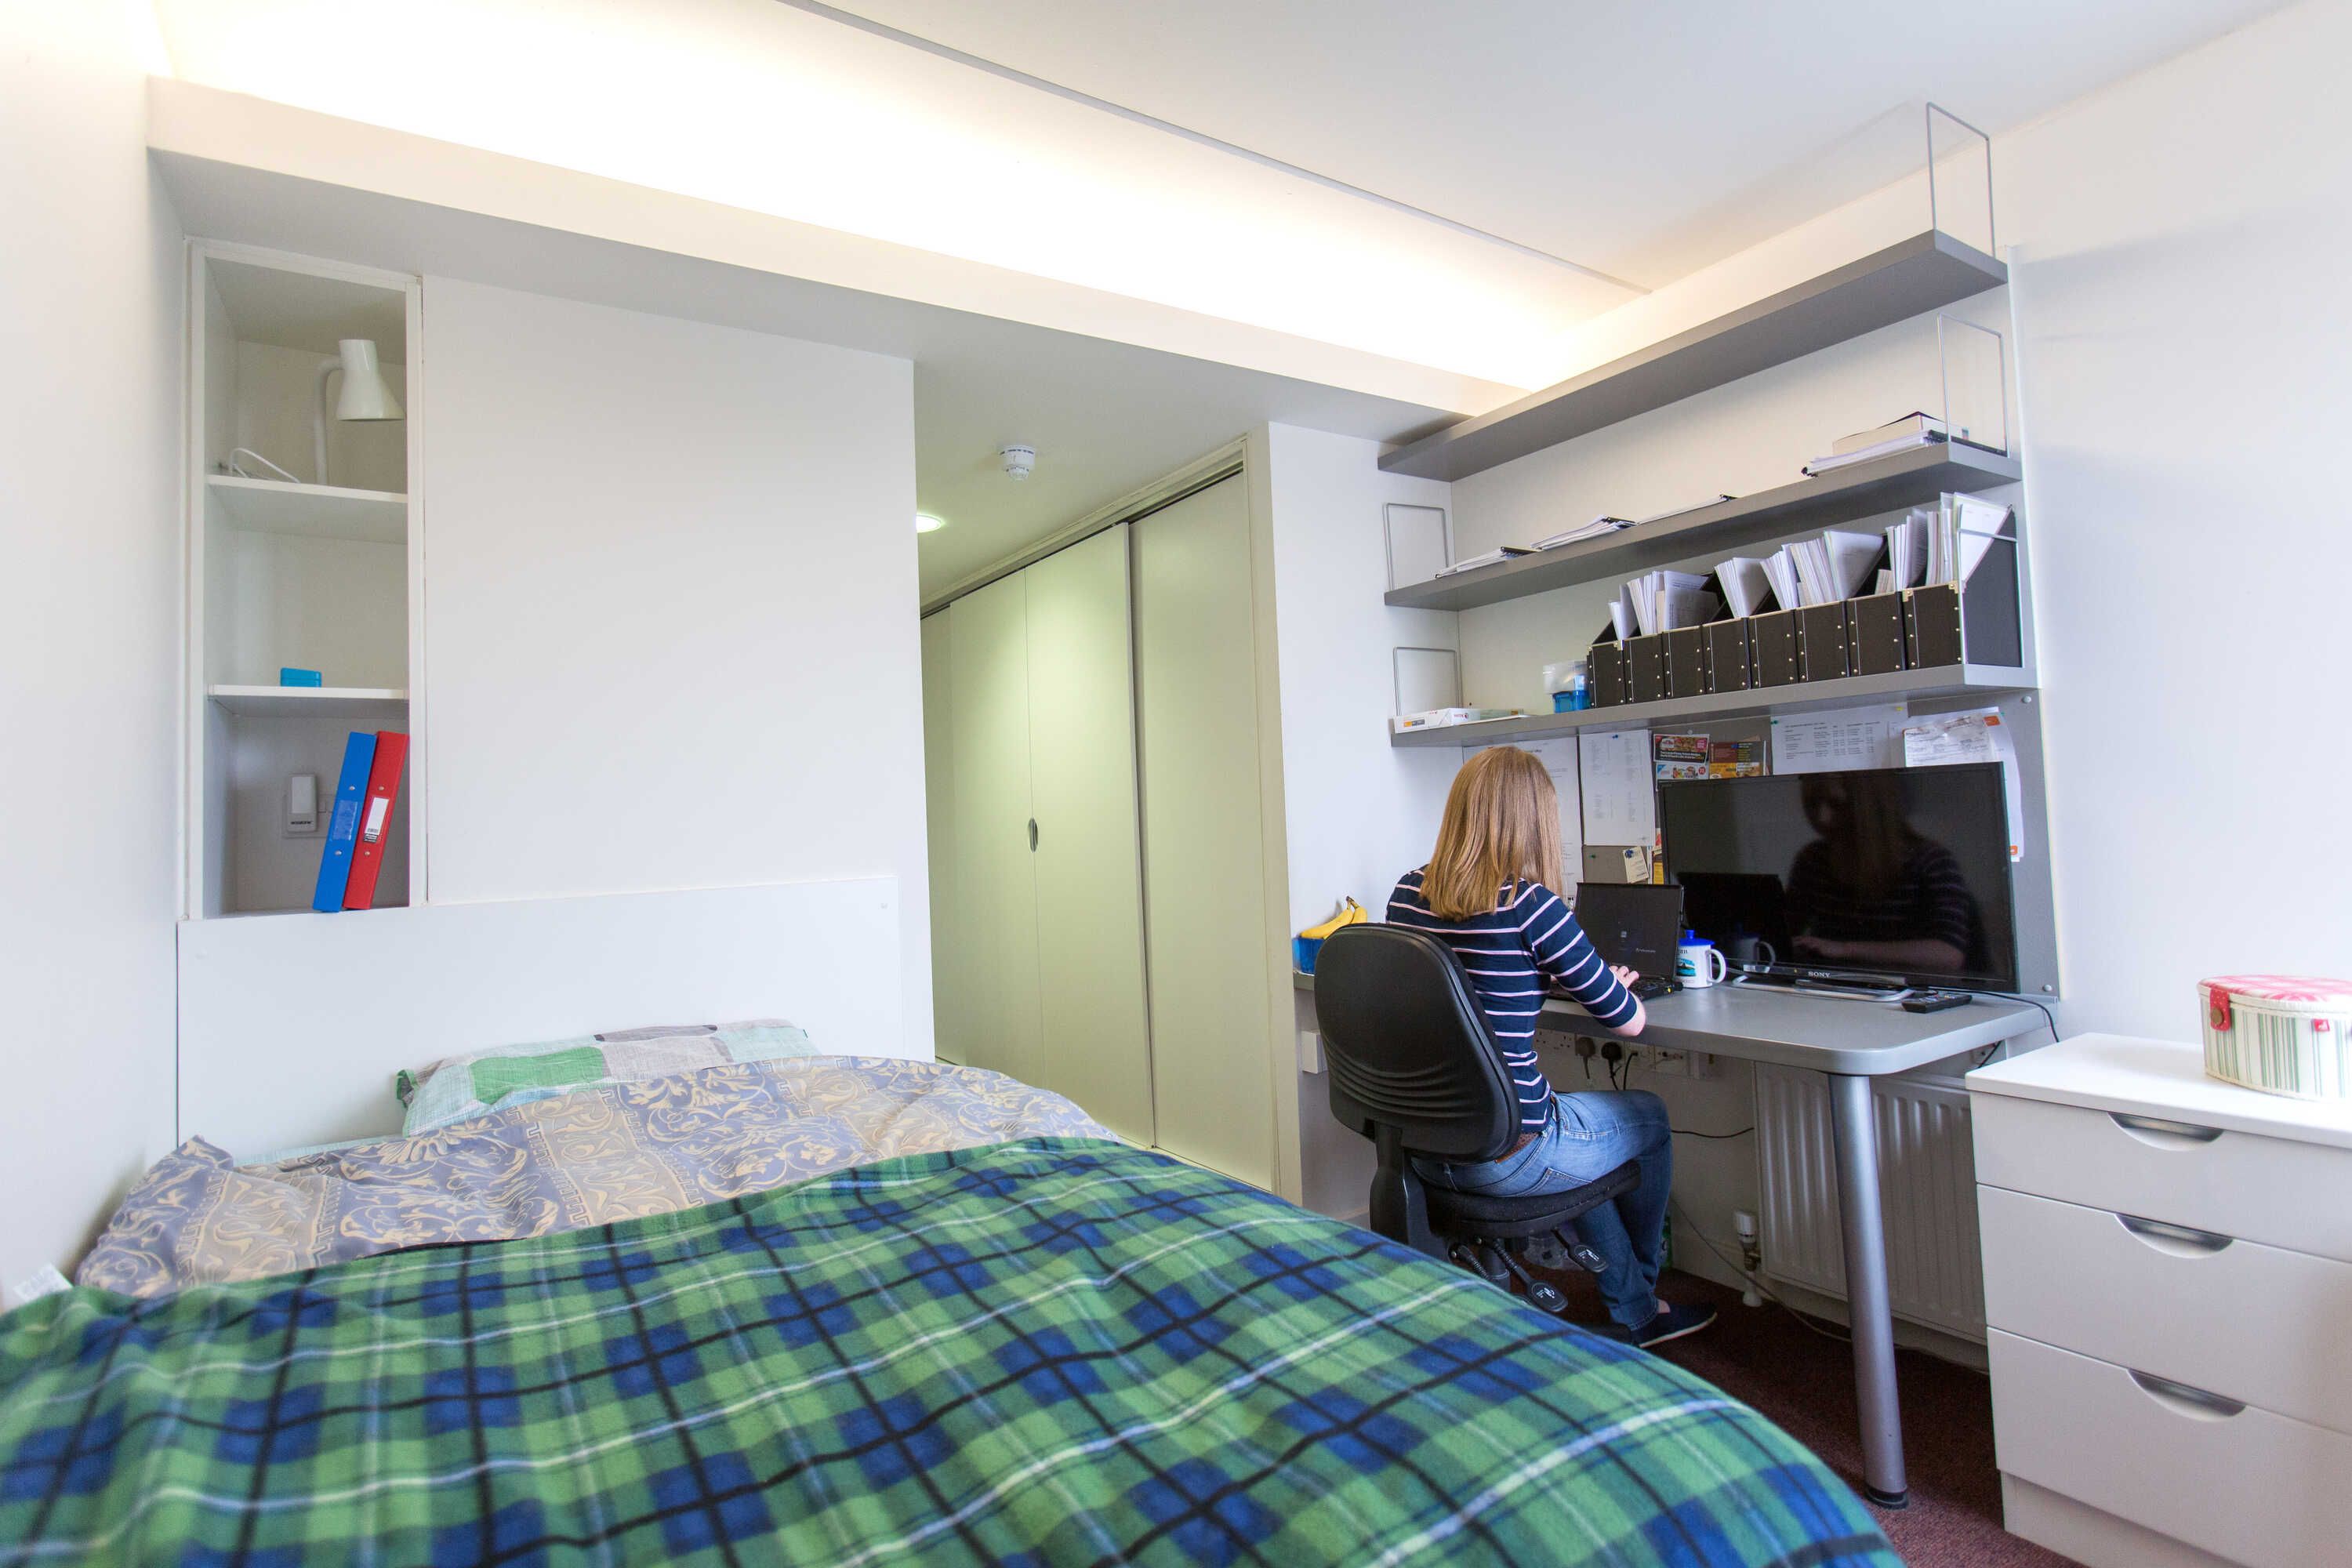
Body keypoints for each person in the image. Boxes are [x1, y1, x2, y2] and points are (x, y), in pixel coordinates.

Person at [1387, 746, 1715, 1348]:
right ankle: (1640, 1305)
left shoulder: (1407, 894)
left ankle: (1633, 1304)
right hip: (1511, 1157)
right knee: (1649, 1119)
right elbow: (1629, 1022)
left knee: (1575, 1123)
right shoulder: (1533, 907)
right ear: (1535, 822)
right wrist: (1605, 981)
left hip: (1428, 1148)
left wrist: (1555, 971)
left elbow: (1473, 972)